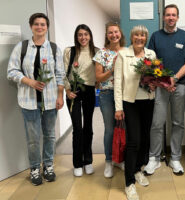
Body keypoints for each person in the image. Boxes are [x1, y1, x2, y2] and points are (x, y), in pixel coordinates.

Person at [7, 13, 65, 185]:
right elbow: (11, 71)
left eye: (43, 24)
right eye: (36, 24)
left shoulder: (54, 49)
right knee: (33, 138)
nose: (40, 27)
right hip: (29, 101)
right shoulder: (22, 47)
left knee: (49, 135)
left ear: (47, 27)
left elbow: (60, 75)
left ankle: (48, 165)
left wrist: (60, 96)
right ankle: (34, 168)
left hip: (50, 101)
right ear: (31, 26)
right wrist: (29, 81)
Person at [144, 4, 185, 176]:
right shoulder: (156, 36)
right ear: (164, 17)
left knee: (177, 123)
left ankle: (175, 158)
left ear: (177, 17)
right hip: (160, 86)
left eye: (174, 15)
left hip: (180, 85)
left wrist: (175, 78)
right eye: (168, 15)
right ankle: (154, 158)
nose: (171, 18)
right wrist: (159, 80)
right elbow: (150, 60)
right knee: (157, 123)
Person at [114, 25, 156, 200]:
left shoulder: (151, 55)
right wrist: (118, 107)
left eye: (143, 35)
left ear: (146, 38)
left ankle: (139, 170)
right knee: (133, 142)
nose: (140, 38)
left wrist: (155, 83)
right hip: (130, 102)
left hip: (148, 101)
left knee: (145, 138)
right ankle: (129, 182)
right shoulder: (123, 55)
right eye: (136, 35)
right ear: (132, 37)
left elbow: (156, 76)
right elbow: (118, 81)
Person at [63, 24, 99, 177]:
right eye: (80, 35)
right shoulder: (69, 51)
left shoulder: (97, 52)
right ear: (76, 37)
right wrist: (68, 90)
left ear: (90, 35)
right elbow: (63, 72)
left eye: (86, 34)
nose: (83, 37)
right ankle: (77, 163)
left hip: (89, 91)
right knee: (77, 128)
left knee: (88, 127)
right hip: (73, 92)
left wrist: (99, 82)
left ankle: (88, 161)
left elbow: (100, 72)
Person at [93, 22, 125, 178]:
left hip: (125, 95)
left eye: (116, 32)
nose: (114, 35)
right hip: (106, 94)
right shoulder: (101, 53)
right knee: (110, 129)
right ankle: (108, 161)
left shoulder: (127, 51)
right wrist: (113, 69)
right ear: (107, 35)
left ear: (120, 34)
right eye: (110, 32)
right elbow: (98, 78)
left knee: (123, 128)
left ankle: (119, 159)